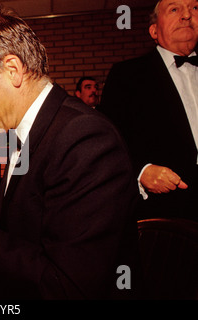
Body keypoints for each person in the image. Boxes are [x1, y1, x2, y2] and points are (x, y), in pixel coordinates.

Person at [0, 10, 141, 299]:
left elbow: (69, 285)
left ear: (12, 71)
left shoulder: (85, 137)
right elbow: (26, 223)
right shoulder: (35, 128)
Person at [98, 0, 198, 222]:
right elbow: (107, 144)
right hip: (165, 216)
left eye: (194, 8)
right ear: (154, 30)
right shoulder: (127, 75)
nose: (186, 15)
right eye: (174, 9)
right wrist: (141, 171)